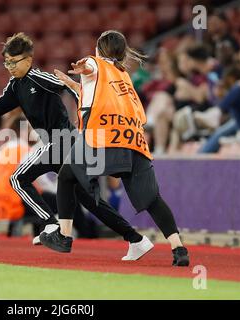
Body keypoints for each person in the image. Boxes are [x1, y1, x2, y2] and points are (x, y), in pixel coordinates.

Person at [0, 32, 151, 260]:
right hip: (59, 143)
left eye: (14, 61)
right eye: (6, 62)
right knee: (90, 200)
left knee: (18, 178)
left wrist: (87, 114)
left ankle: (50, 224)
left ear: (28, 60)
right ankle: (136, 239)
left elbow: (71, 87)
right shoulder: (14, 86)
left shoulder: (39, 78)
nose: (9, 66)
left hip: (62, 139)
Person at [40, 30, 190, 267]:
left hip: (104, 137)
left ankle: (64, 236)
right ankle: (179, 249)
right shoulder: (122, 75)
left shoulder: (95, 63)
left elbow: (91, 67)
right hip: (134, 140)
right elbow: (95, 95)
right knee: (153, 199)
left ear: (99, 49)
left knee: (67, 176)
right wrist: (73, 83)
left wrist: (86, 65)